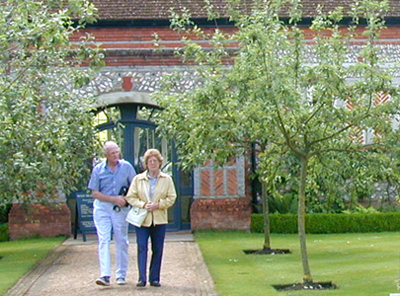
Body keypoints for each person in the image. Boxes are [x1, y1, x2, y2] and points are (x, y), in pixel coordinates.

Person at [126, 148, 177, 287]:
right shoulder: (138, 179)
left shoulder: (167, 179)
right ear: (146, 163)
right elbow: (130, 197)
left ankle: (154, 278)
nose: (152, 163)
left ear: (159, 163)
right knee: (142, 247)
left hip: (159, 219)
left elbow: (172, 197)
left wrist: (159, 205)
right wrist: (143, 205)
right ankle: (141, 278)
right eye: (150, 161)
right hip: (142, 219)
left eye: (155, 161)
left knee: (158, 249)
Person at [88, 141, 136, 286]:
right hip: (103, 207)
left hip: (120, 208)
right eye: (112, 153)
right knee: (103, 239)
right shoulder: (98, 170)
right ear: (106, 155)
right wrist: (112, 199)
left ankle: (121, 274)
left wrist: (126, 199)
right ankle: (105, 275)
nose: (115, 155)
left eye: (117, 152)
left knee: (121, 240)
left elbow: (135, 186)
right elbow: (94, 193)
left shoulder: (126, 167)